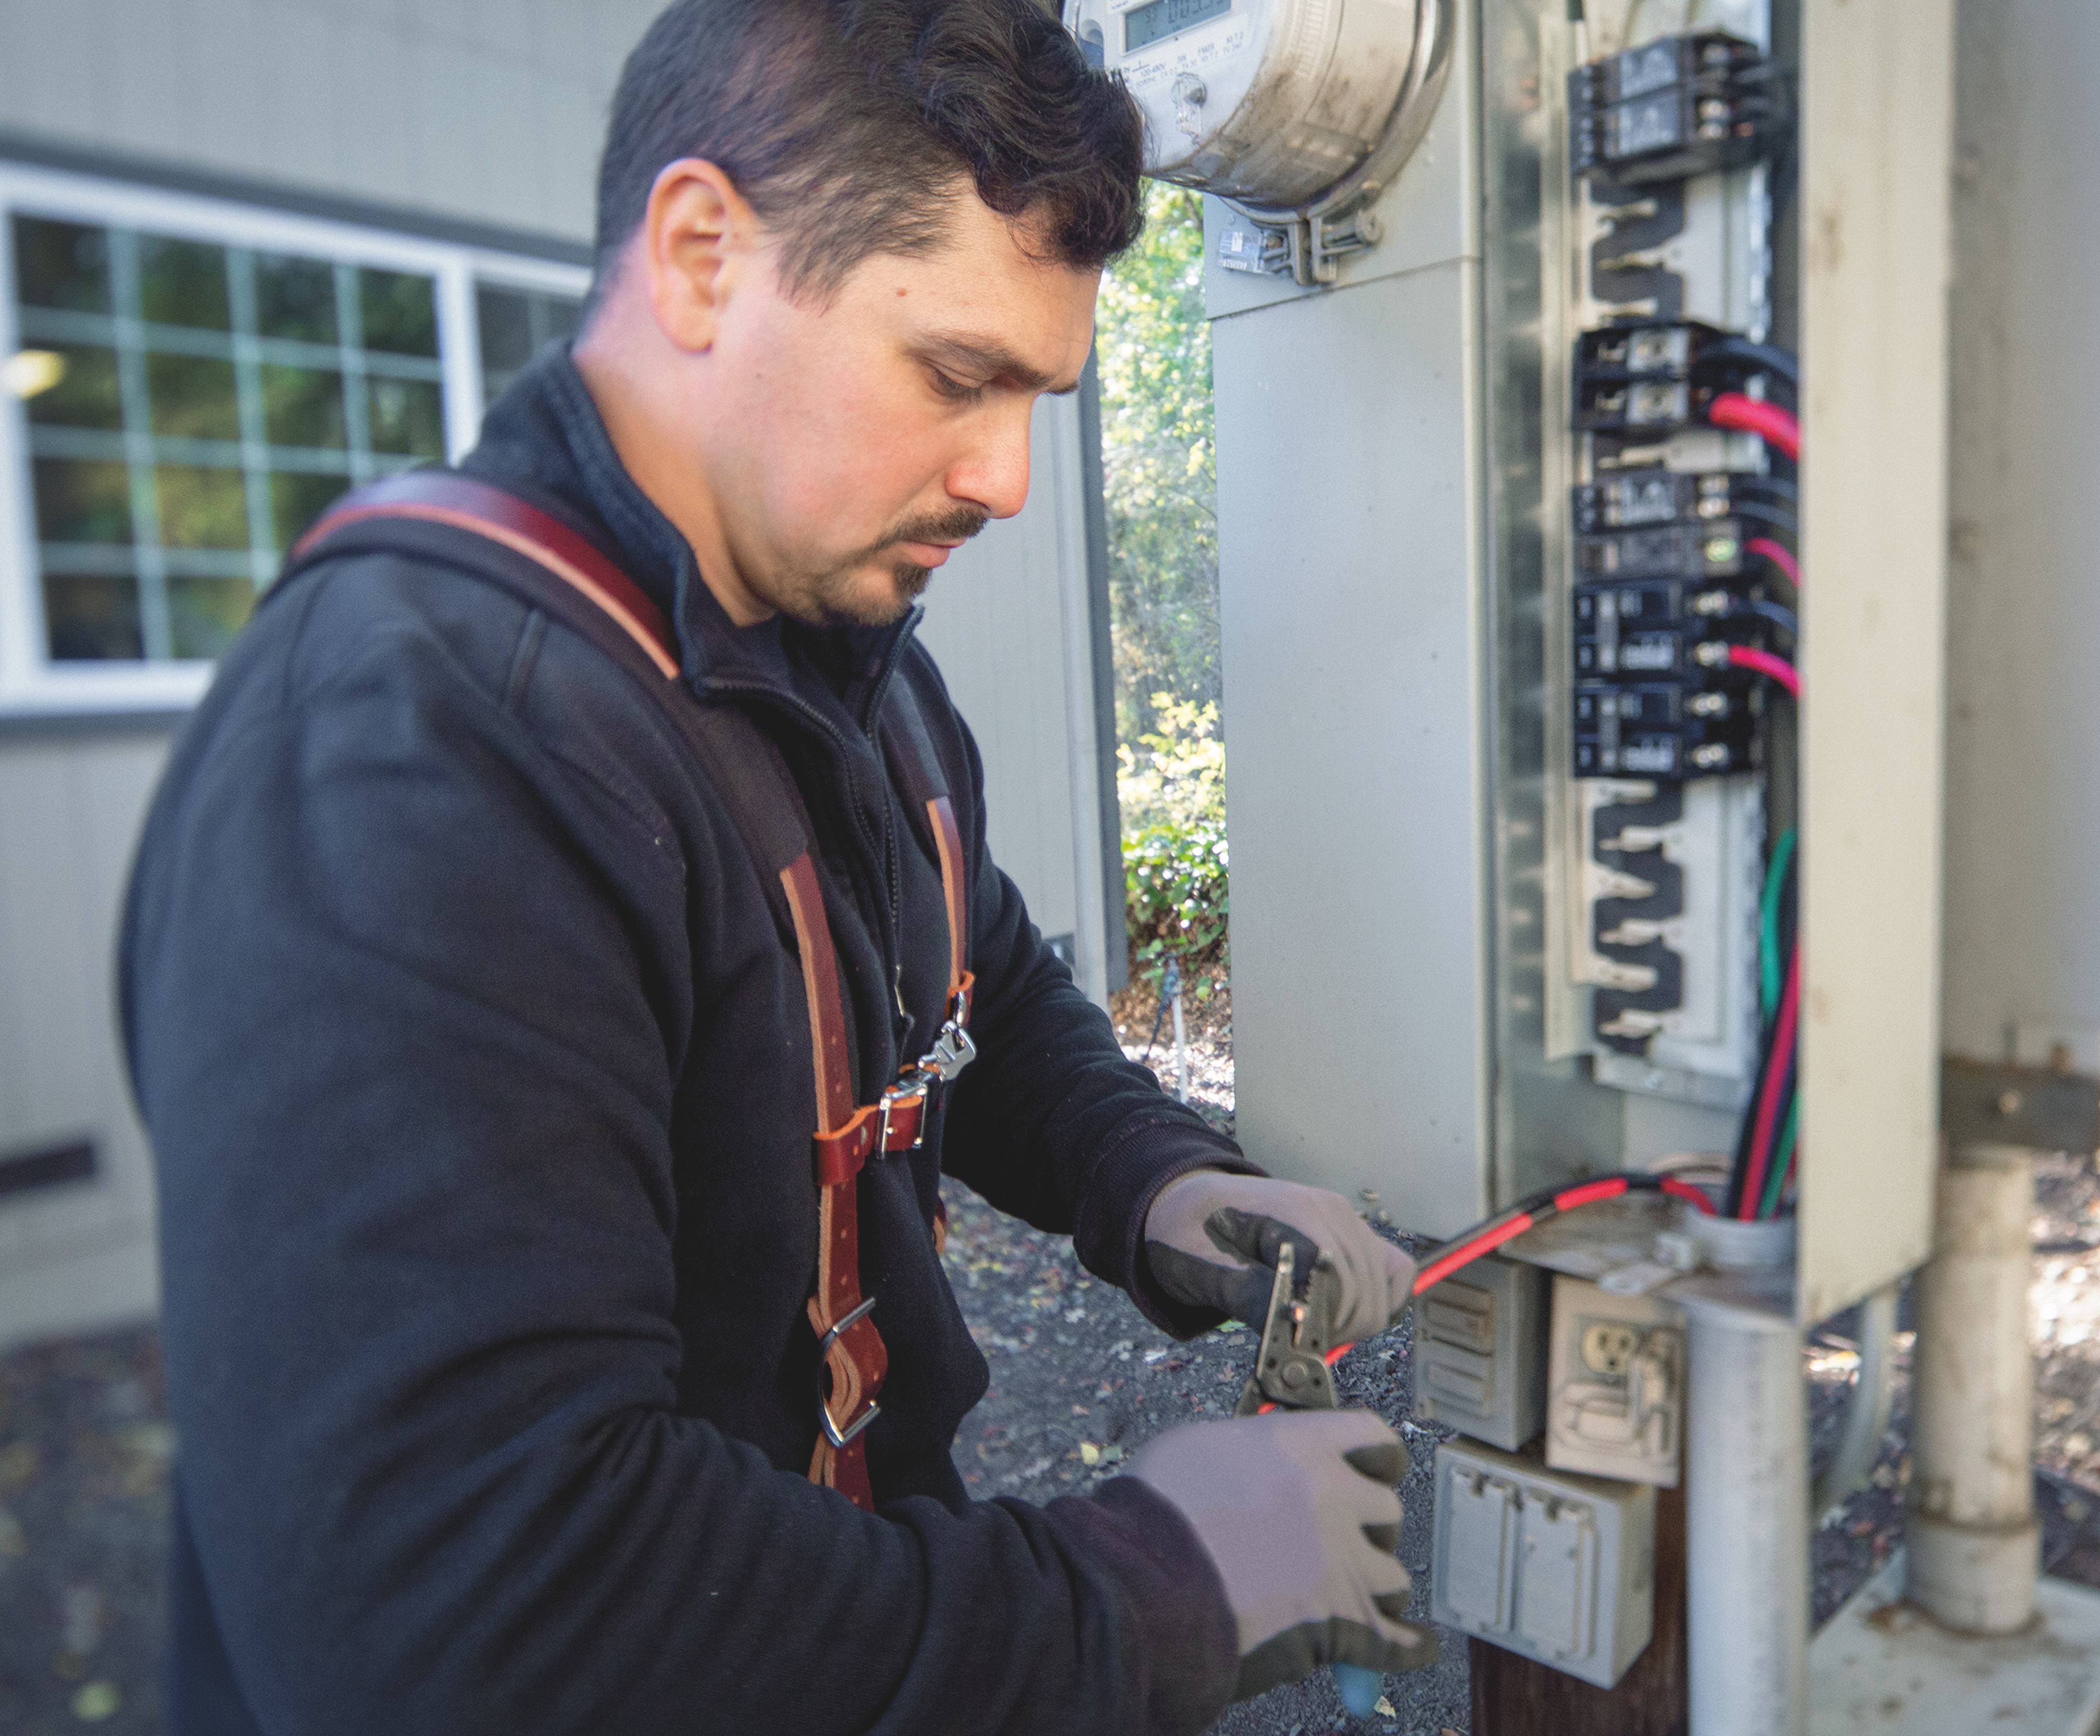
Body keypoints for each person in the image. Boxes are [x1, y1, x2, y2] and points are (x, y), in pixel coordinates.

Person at [119, 3, 1438, 1731]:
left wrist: (1149, 1180)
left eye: (1038, 397)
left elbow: (978, 979)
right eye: (958, 376)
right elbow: (479, 1621)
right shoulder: (416, 746)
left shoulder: (837, 650)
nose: (1007, 479)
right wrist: (1159, 1588)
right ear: (699, 256)